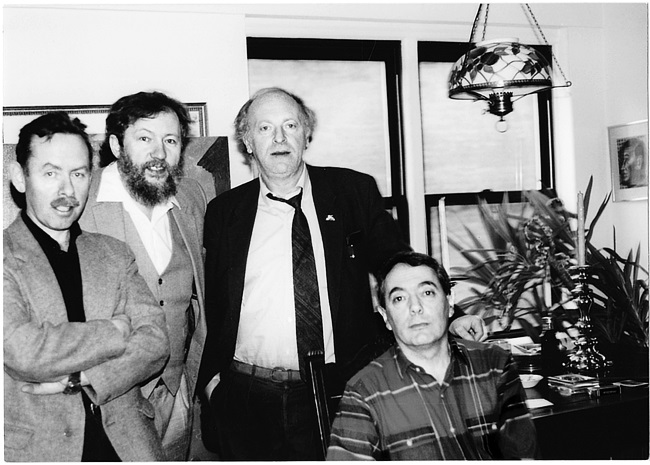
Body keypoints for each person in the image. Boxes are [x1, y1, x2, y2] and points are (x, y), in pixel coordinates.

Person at [198, 87, 486, 460]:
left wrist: (451, 316)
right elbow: (212, 302)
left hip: (339, 389)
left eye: (290, 125)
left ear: (306, 134)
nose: (280, 138)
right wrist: (214, 386)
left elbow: (397, 261)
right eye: (265, 128)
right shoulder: (224, 213)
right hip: (247, 398)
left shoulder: (351, 192)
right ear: (248, 142)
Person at [4, 111, 170, 461]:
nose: (67, 190)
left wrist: (83, 378)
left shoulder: (114, 253)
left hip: (127, 447)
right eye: (51, 173)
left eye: (78, 174)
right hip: (40, 450)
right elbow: (22, 350)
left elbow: (155, 342)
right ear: (20, 177)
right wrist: (115, 331)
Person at [78, 91, 208, 460]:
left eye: (171, 141)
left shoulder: (192, 197)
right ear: (116, 146)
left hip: (178, 392)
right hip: (105, 399)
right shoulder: (81, 201)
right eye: (144, 138)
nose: (159, 153)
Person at [327, 251, 539, 460]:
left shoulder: (494, 364)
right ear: (385, 317)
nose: (415, 307)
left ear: (450, 303)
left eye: (427, 293)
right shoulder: (363, 392)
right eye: (399, 298)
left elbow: (524, 456)